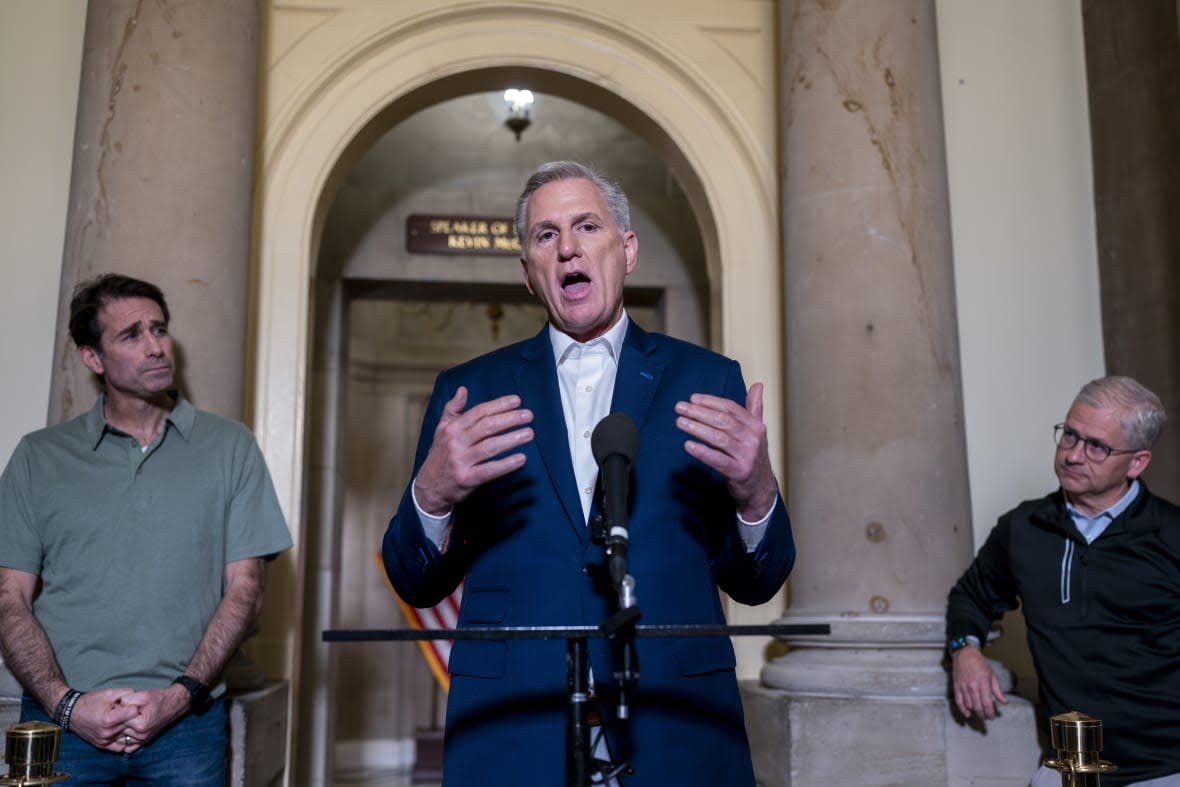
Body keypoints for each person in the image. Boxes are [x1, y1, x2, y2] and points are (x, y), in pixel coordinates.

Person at [382, 161, 795, 785]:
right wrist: (431, 496)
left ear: (626, 250)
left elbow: (757, 583)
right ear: (528, 274)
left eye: (586, 226)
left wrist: (756, 493)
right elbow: (414, 581)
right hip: (512, 729)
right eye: (545, 236)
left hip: (674, 727)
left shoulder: (709, 381)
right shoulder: (468, 392)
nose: (568, 247)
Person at [0, 274, 292, 785]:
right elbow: (8, 598)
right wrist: (65, 706)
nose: (156, 346)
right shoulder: (39, 456)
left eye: (160, 329)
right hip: (63, 725)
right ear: (92, 358)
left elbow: (245, 590)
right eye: (131, 335)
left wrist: (179, 698)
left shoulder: (230, 447)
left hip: (187, 728)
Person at [946, 376, 1180, 787]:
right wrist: (965, 651)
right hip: (1071, 766)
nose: (1073, 455)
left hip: (1166, 767)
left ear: (1137, 462)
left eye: (1096, 446)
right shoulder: (1023, 527)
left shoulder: (1172, 534)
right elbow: (970, 596)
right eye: (1070, 435)